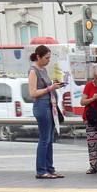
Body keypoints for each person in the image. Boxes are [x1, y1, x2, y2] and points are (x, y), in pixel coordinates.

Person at [28, 44, 65, 179]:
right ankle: (41, 170)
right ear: (38, 57)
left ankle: (50, 168)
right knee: (44, 139)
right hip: (41, 106)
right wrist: (50, 88)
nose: (48, 60)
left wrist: (55, 85)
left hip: (50, 105)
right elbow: (33, 93)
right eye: (46, 58)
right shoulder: (33, 71)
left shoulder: (43, 69)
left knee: (49, 139)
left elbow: (46, 87)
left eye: (49, 58)